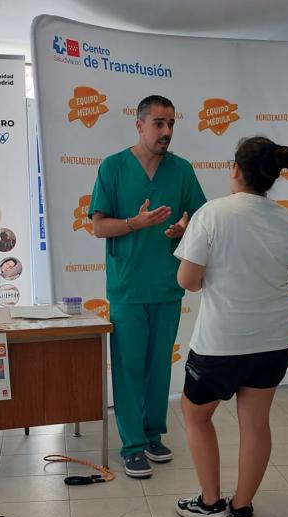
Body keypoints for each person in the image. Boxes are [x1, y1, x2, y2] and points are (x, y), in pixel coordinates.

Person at [173, 136, 288, 517]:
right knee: (255, 422)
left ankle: (211, 503)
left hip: (222, 342)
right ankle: (244, 508)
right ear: (271, 177)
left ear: (235, 169)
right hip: (274, 341)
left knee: (195, 414)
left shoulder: (211, 214)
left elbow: (188, 281)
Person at [89, 94, 206, 478]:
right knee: (128, 366)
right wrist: (133, 224)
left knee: (159, 365)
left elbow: (200, 220)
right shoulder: (113, 168)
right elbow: (98, 225)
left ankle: (153, 433)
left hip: (166, 284)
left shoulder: (182, 171)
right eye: (158, 123)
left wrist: (183, 229)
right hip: (127, 286)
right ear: (139, 125)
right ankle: (132, 444)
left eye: (171, 123)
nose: (167, 131)